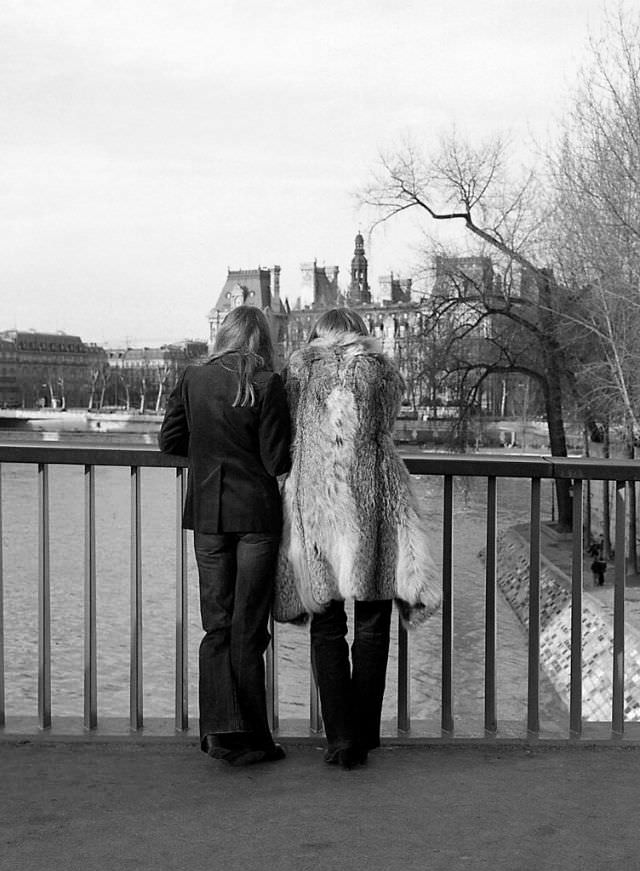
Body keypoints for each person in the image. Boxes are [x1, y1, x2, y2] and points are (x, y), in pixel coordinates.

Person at [274, 307, 440, 769]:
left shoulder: (299, 371)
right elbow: (385, 425)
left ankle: (340, 737)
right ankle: (364, 734)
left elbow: (285, 431)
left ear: (316, 336)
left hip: (316, 505)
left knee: (326, 628)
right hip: (372, 508)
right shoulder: (381, 371)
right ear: (362, 336)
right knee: (372, 627)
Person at [159, 305, 291, 766]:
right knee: (249, 629)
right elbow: (277, 460)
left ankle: (219, 733)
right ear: (262, 341)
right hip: (255, 517)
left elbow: (169, 441)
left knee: (217, 624)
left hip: (208, 515)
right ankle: (254, 738)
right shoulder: (266, 384)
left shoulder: (194, 378)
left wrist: (206, 449)